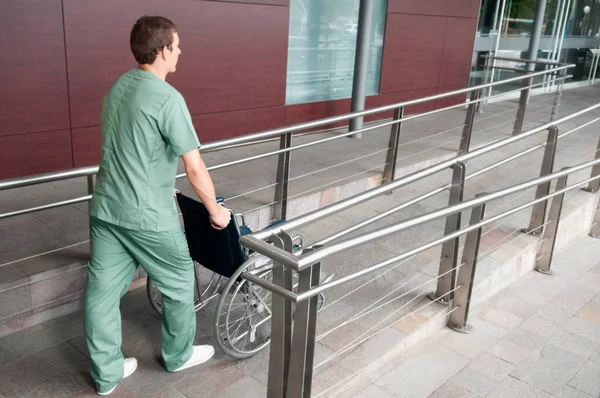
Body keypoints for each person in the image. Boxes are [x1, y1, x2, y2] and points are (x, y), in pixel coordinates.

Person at [83, 15, 231, 396]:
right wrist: (215, 211)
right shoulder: (167, 98)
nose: (180, 51)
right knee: (180, 281)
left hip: (105, 210)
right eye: (177, 46)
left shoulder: (119, 87)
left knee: (101, 293)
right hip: (146, 213)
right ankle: (178, 355)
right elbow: (194, 166)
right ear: (163, 50)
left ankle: (106, 374)